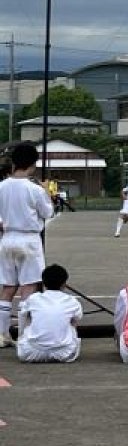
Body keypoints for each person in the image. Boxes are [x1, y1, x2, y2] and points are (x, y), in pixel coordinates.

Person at [0, 142, 56, 350]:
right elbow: (48, 213)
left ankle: (2, 334)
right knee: (28, 288)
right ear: (33, 164)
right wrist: (46, 192)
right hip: (29, 240)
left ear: (14, 162)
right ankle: (25, 335)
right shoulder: (34, 189)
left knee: (7, 288)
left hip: (7, 239)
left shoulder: (1, 186)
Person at [16, 263, 82, 363]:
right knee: (72, 323)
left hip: (30, 352)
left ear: (43, 283)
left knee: (26, 314)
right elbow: (76, 320)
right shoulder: (72, 301)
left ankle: (26, 339)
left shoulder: (34, 298)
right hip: (64, 353)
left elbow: (23, 316)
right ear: (64, 284)